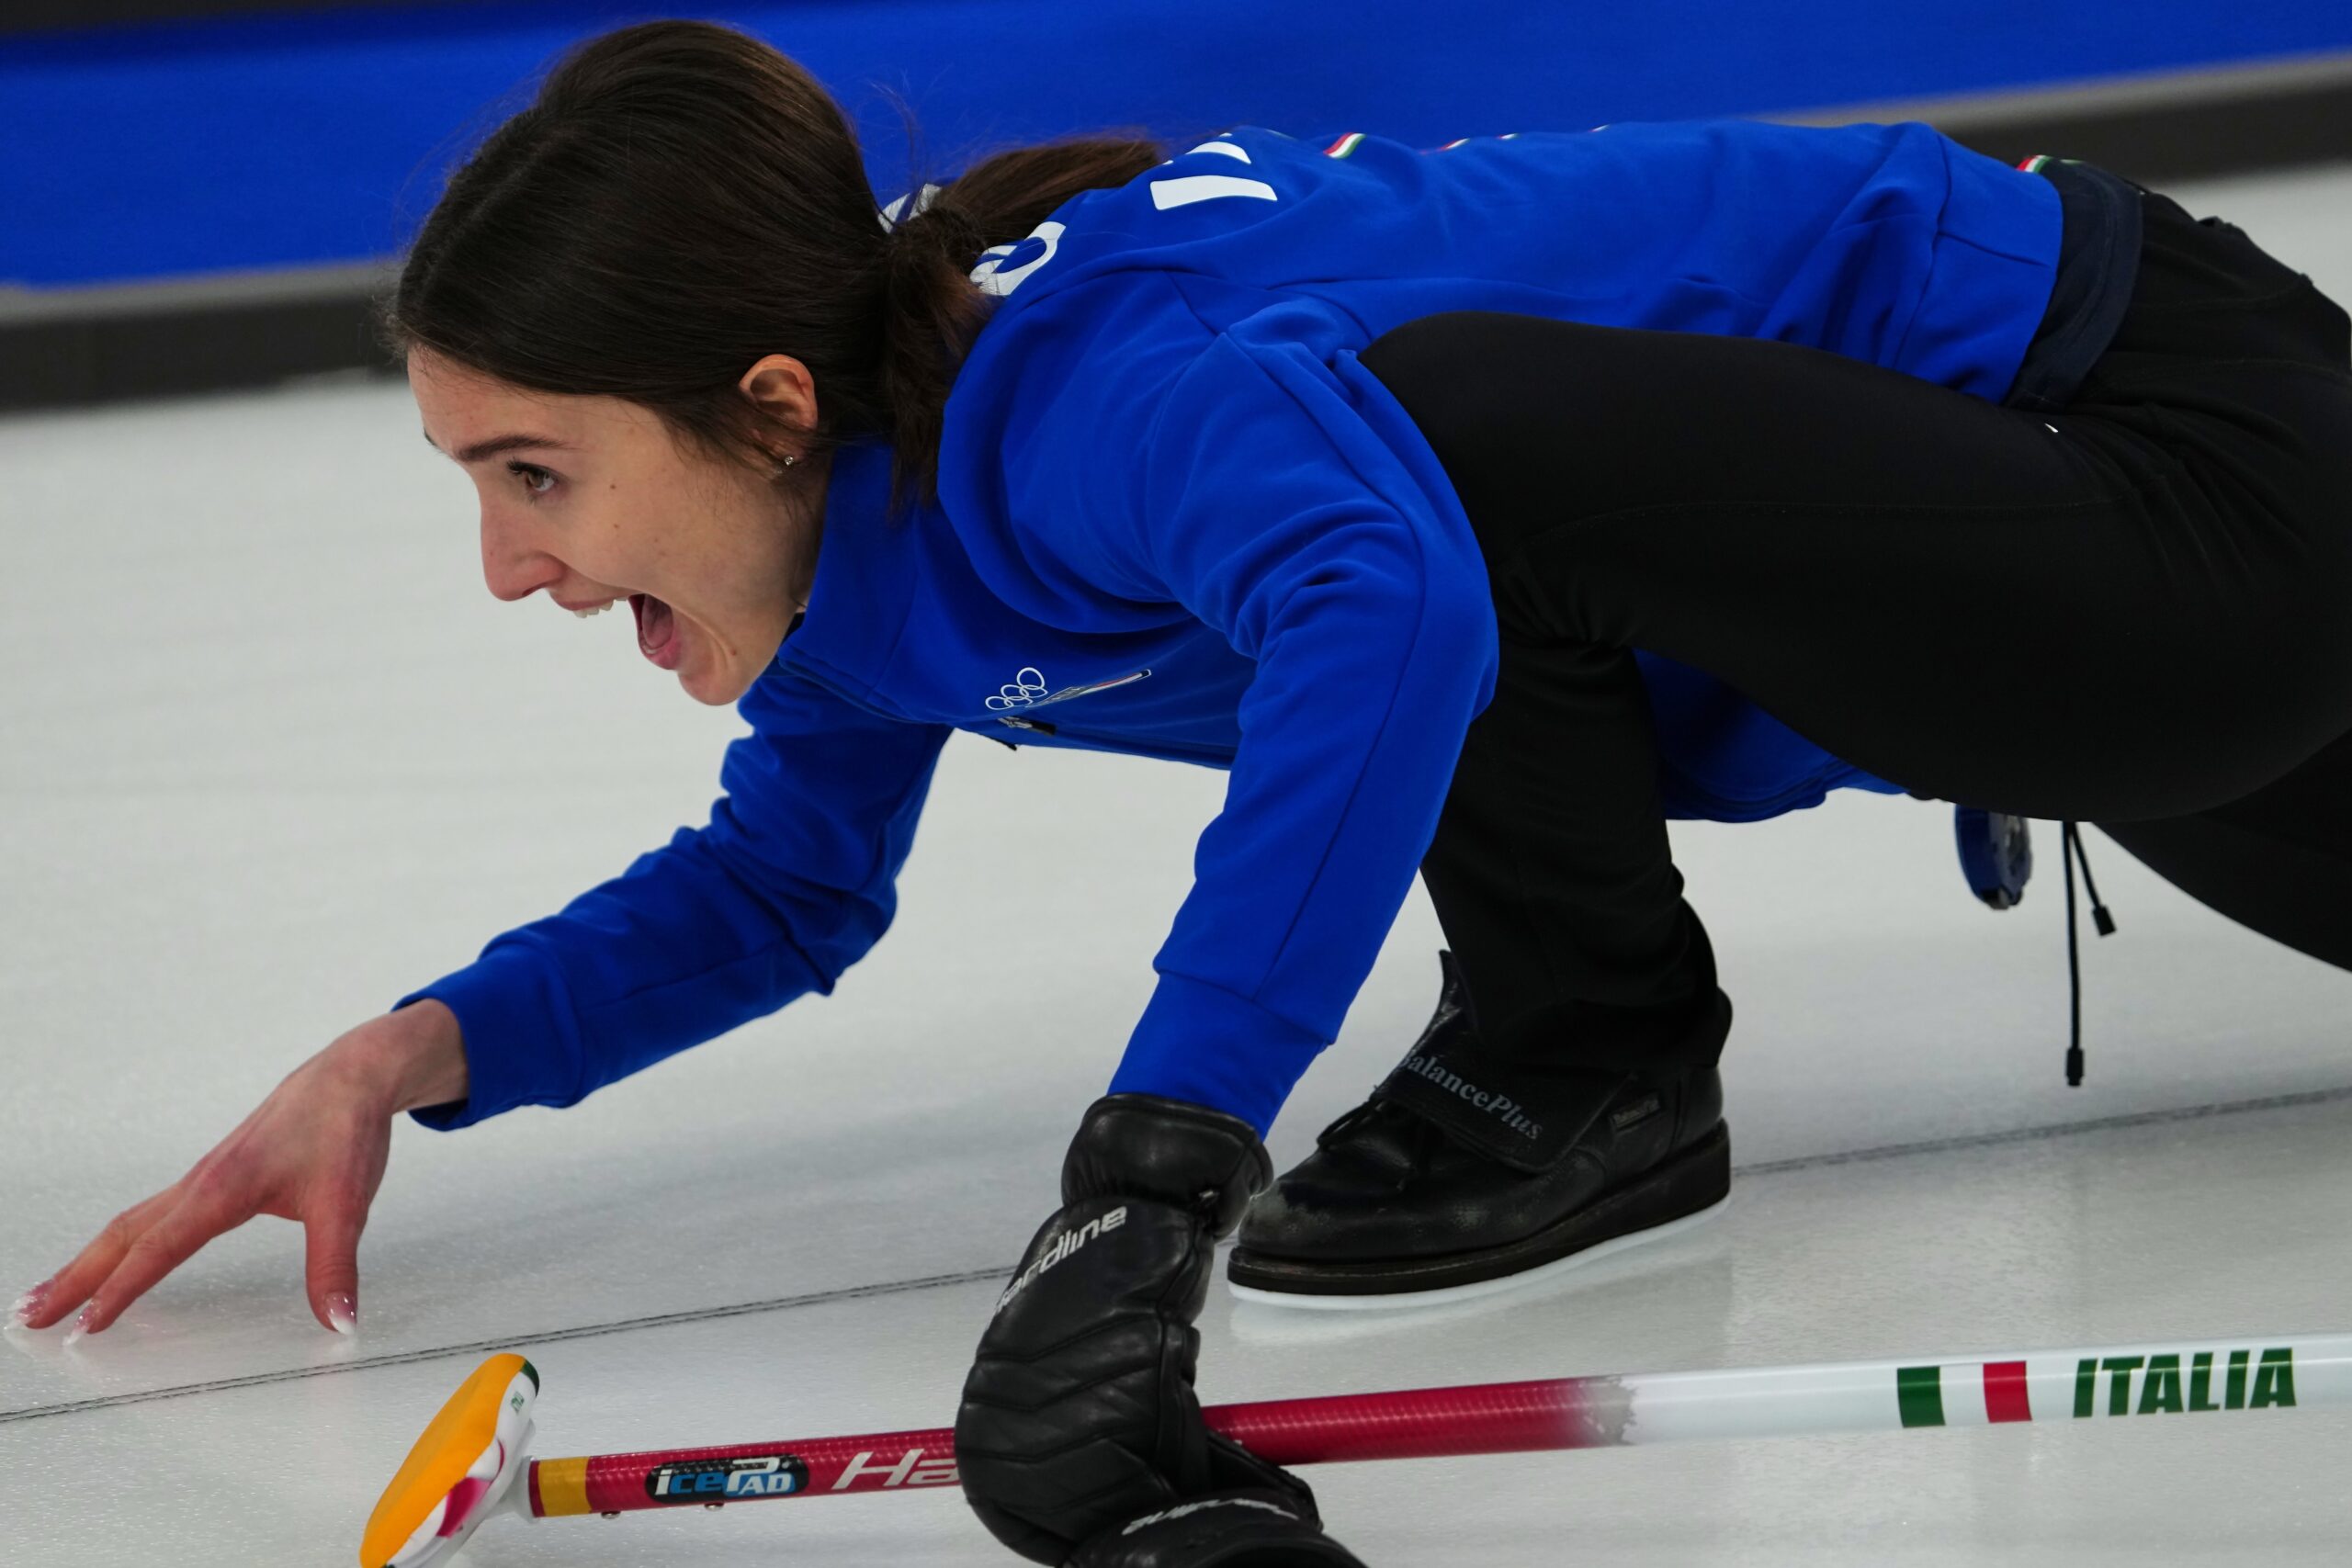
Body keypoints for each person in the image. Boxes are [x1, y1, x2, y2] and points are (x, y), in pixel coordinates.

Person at [17, 17, 2352, 1565]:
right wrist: (407, 1054)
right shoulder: (862, 527)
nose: (507, 566)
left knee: (1428, 464)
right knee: (1431, 472)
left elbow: (1384, 597)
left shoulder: (1089, 395)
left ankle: (1590, 1056)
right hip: (2058, 642)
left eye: (534, 474)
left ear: (763, 406)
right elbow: (782, 879)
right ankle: (1595, 1045)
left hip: (2174, 486)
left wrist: (1152, 1179)